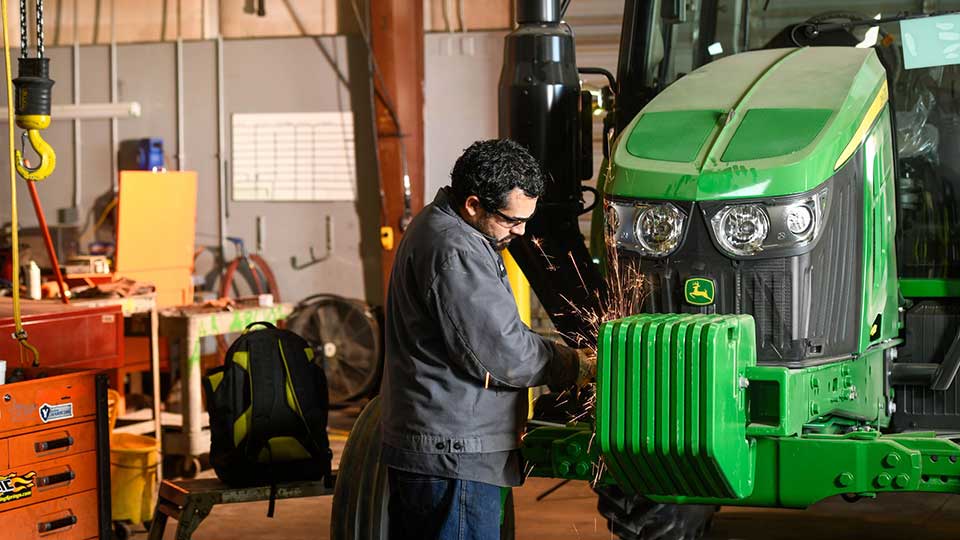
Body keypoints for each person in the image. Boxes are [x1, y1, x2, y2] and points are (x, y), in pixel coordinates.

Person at [380, 138, 594, 539]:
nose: (521, 231)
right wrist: (575, 364)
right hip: (453, 452)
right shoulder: (455, 249)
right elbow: (505, 354)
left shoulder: (447, 228)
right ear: (474, 204)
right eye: (512, 221)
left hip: (444, 446)